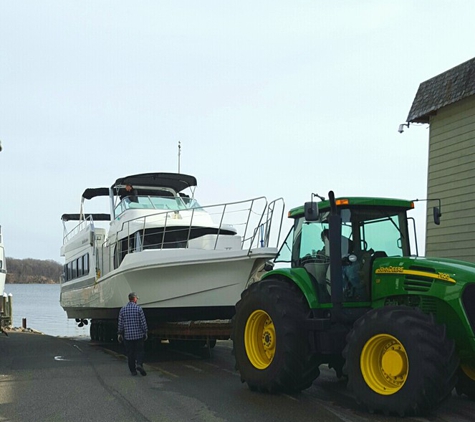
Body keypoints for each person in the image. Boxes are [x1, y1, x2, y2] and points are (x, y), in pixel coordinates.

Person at [118, 292, 148, 376]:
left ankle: (133, 371)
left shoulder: (123, 309)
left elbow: (121, 323)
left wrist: (120, 333)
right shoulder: (139, 309)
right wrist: (145, 332)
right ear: (134, 299)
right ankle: (139, 364)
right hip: (138, 335)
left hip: (128, 336)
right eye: (136, 298)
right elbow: (143, 322)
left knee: (130, 353)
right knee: (140, 351)